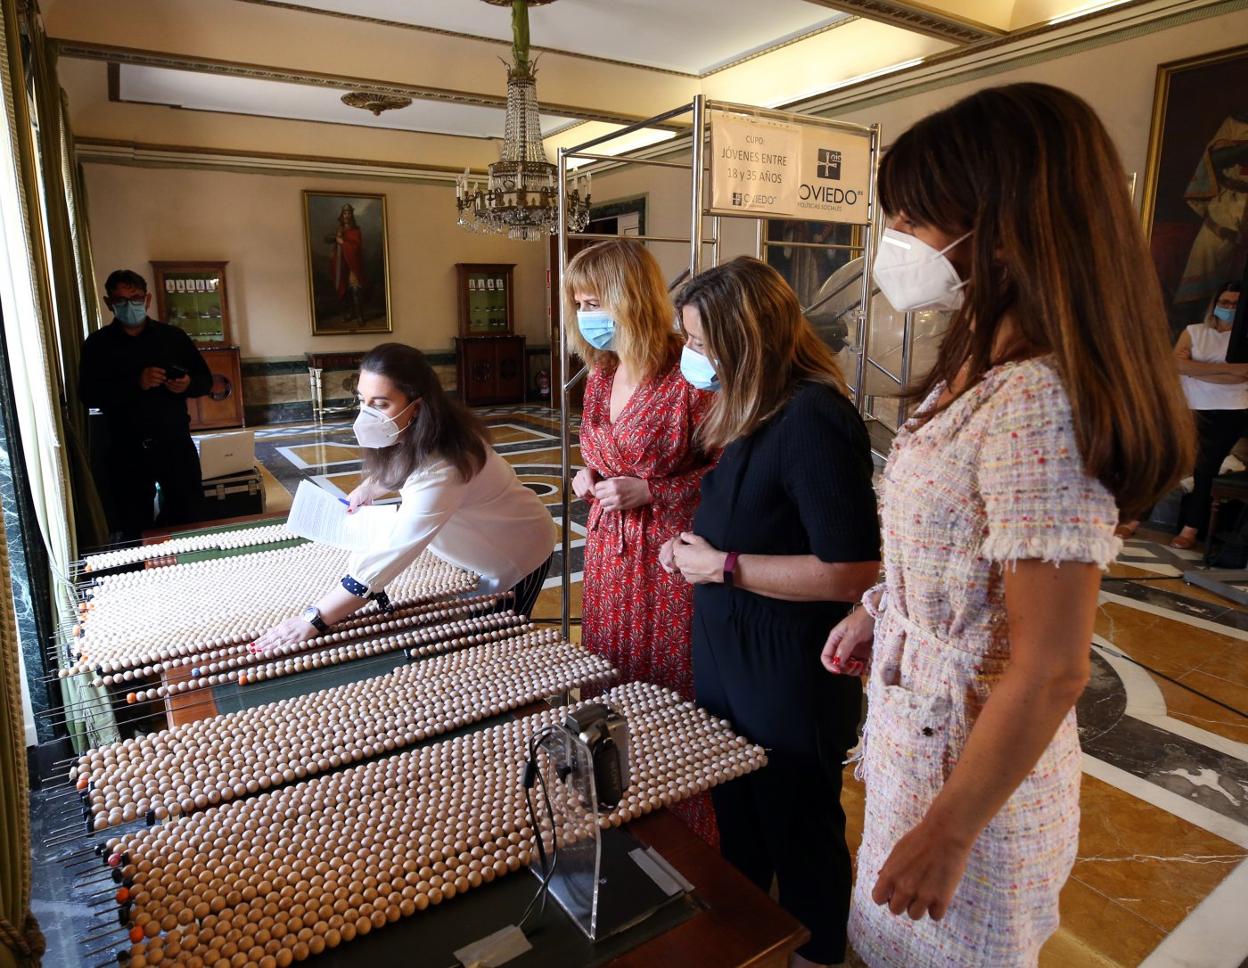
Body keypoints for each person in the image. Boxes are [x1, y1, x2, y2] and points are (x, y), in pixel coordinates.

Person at [820, 83, 1193, 968]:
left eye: (916, 218)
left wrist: (948, 831)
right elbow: (952, 543)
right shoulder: (979, 364)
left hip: (972, 788)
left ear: (1007, 224)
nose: (898, 241)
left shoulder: (1036, 400)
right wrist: (883, 606)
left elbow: (1052, 668)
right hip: (925, 744)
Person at [663, 256, 880, 968]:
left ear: (742, 338)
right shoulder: (752, 407)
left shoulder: (814, 416)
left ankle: (815, 955)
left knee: (798, 825)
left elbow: (850, 568)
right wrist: (695, 551)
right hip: (733, 651)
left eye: (698, 342)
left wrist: (722, 566)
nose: (690, 357)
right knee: (742, 816)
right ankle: (753, 944)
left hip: (789, 663)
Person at [565, 239, 718, 845]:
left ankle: (683, 833)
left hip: (666, 558)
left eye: (595, 300)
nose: (585, 315)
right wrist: (591, 477)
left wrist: (654, 492)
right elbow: (598, 453)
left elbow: (729, 468)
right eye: (578, 303)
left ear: (630, 298)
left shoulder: (689, 371)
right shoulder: (601, 376)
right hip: (607, 555)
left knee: (664, 689)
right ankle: (618, 811)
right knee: (609, 676)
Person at [254, 343, 555, 650]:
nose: (368, 414)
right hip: (474, 543)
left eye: (381, 404)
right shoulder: (422, 428)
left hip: (516, 549)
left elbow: (389, 556)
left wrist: (314, 619)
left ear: (418, 405)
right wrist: (369, 489)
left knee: (496, 644)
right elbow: (405, 462)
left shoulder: (444, 466)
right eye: (362, 401)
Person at [79, 268, 213, 541]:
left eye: (136, 298)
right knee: (133, 523)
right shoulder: (98, 344)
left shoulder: (173, 337)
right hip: (125, 448)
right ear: (108, 303)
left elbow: (206, 381)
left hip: (174, 442)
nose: (130, 305)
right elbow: (89, 394)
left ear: (148, 299)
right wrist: (135, 383)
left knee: (189, 515)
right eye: (120, 300)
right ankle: (141, 575)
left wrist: (187, 384)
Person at [1170, 282, 1246, 549]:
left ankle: (1190, 530)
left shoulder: (1243, 339)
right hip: (1190, 406)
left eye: (1235, 305)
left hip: (1231, 410)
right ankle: (1134, 519)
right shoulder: (1194, 332)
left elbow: (1244, 373)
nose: (1228, 308)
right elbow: (1175, 364)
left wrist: (1194, 368)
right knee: (1169, 462)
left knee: (1205, 470)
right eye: (1224, 303)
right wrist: (1225, 372)